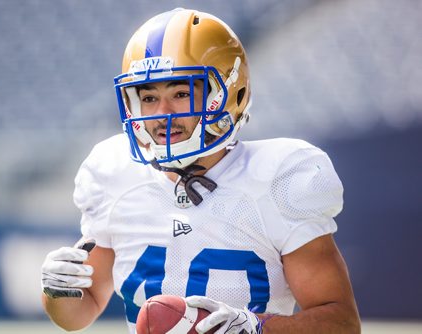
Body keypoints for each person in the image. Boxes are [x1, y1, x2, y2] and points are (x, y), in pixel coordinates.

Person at [41, 8, 361, 334]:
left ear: (226, 94)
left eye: (180, 94)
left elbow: (341, 323)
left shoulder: (278, 179)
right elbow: (79, 311)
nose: (162, 114)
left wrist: (257, 328)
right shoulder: (115, 174)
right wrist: (58, 291)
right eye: (149, 97)